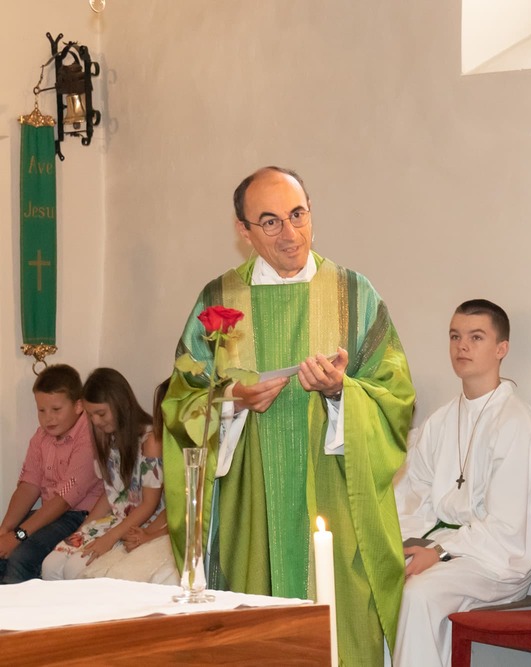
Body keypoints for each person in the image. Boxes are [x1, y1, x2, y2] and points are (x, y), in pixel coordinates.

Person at [161, 166, 415, 665]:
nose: (289, 233)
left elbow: (396, 397)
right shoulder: (219, 302)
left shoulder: (353, 295)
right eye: (271, 222)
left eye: (298, 215)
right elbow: (180, 403)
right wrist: (233, 399)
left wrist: (341, 391)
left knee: (340, 636)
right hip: (248, 506)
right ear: (244, 231)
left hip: (335, 499)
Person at [393, 299, 531, 667]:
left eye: (476, 337)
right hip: (444, 547)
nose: (462, 346)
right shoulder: (441, 420)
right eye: (455, 337)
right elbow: (413, 496)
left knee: (418, 595)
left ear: (501, 349)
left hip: (497, 560)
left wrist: (441, 551)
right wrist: (404, 544)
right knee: (380, 581)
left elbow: (506, 526)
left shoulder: (516, 422)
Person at [42, 368, 165, 581]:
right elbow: (110, 495)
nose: (96, 421)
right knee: (50, 565)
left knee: (75, 569)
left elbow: (149, 505)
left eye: (101, 414)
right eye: (90, 415)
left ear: (120, 404)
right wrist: (83, 529)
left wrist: (109, 538)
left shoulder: (150, 441)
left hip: (139, 523)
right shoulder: (109, 438)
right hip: (114, 519)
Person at [0, 364, 102, 584]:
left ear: (78, 406)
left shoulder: (88, 437)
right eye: (42, 410)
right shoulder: (41, 437)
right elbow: (29, 485)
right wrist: (5, 529)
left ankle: (24, 606)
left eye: (56, 409)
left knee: (22, 557)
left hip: (78, 515)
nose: (48, 418)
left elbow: (64, 500)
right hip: (50, 513)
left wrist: (18, 536)